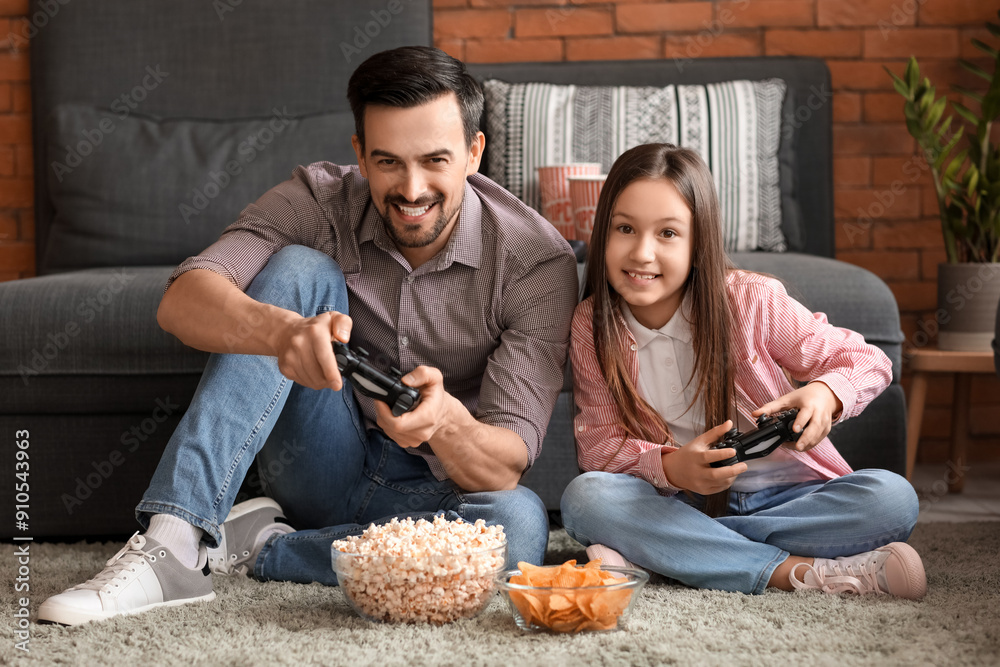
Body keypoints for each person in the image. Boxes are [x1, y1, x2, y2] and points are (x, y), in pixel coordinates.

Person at [37, 46, 578, 625]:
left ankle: (261, 547)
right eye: (388, 161)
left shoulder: (534, 261)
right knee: (299, 270)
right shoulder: (321, 199)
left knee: (518, 530)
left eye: (434, 161)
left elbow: (505, 465)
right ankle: (172, 542)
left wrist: (443, 421)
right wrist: (283, 331)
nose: (412, 189)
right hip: (321, 463)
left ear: (474, 153)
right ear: (360, 156)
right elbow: (184, 299)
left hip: (435, 493)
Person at [560, 143, 926, 599]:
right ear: (602, 233)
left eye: (668, 233)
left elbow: (868, 360)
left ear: (699, 243)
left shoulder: (751, 300)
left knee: (892, 499)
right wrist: (674, 469)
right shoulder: (593, 325)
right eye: (625, 228)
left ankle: (668, 554)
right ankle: (793, 572)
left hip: (788, 500)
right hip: (676, 501)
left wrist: (824, 395)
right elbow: (599, 450)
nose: (642, 253)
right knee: (586, 499)